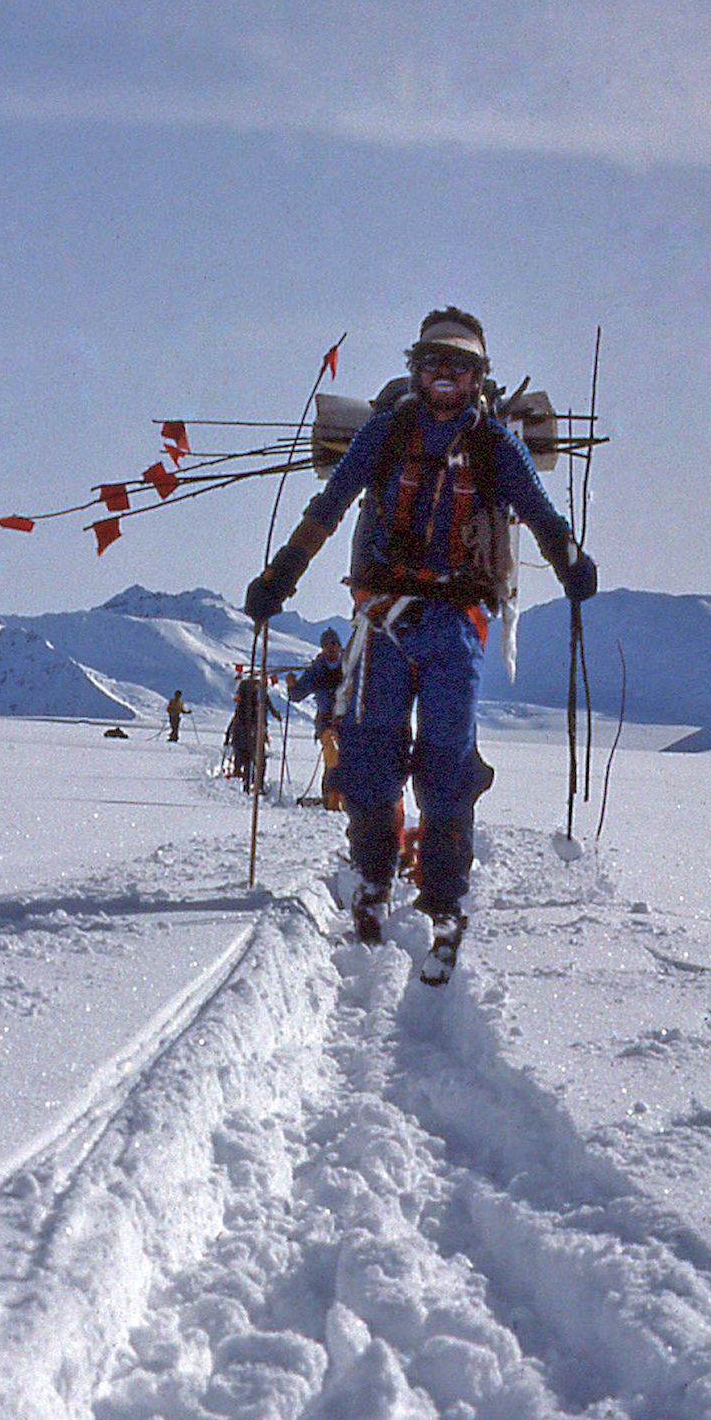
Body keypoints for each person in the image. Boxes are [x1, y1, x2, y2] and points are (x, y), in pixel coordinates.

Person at [245, 307, 597, 961]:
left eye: (459, 366)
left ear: (477, 376)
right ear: (417, 368)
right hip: (385, 616)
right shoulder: (384, 433)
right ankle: (374, 879)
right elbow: (330, 505)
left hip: (457, 620)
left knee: (446, 759)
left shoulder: (497, 446)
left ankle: (442, 893)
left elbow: (539, 512)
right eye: (434, 363)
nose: (445, 376)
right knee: (370, 752)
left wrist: (570, 559)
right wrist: (282, 573)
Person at [287, 629, 345, 810]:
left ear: (339, 646)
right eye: (327, 645)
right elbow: (297, 695)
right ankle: (331, 799)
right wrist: (292, 686)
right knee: (333, 757)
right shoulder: (316, 670)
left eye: (334, 644)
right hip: (326, 722)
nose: (331, 648)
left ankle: (344, 798)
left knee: (348, 760)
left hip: (348, 722)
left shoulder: (350, 665)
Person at [225, 674, 280, 794]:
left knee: (245, 758)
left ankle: (245, 781)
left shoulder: (242, 706)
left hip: (242, 734)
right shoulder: (260, 700)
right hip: (255, 733)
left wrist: (228, 736)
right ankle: (258, 784)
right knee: (259, 759)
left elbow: (235, 720)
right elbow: (269, 709)